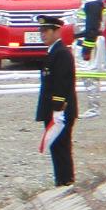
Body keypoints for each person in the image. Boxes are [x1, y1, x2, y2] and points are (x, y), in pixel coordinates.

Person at [35, 18, 78, 187]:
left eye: (46, 31)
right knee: (56, 147)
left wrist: (57, 109)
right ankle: (61, 180)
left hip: (60, 110)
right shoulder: (53, 52)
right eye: (41, 31)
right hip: (54, 109)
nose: (43, 34)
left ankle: (66, 181)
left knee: (61, 147)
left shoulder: (61, 53)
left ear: (57, 31)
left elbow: (62, 83)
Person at [77, 0, 106, 118]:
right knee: (86, 75)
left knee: (90, 76)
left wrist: (86, 49)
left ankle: (93, 107)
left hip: (90, 43)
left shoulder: (93, 3)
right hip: (87, 41)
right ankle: (92, 107)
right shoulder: (92, 2)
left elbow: (92, 29)